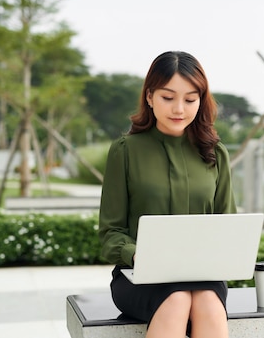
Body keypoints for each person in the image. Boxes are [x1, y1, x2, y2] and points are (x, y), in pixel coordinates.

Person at [98, 51, 237, 338]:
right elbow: (110, 233)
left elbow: (229, 227)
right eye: (167, 97)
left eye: (189, 99)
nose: (179, 109)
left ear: (201, 100)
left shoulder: (215, 154)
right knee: (176, 299)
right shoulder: (125, 151)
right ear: (150, 97)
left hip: (203, 277)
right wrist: (136, 254)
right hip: (138, 277)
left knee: (207, 302)